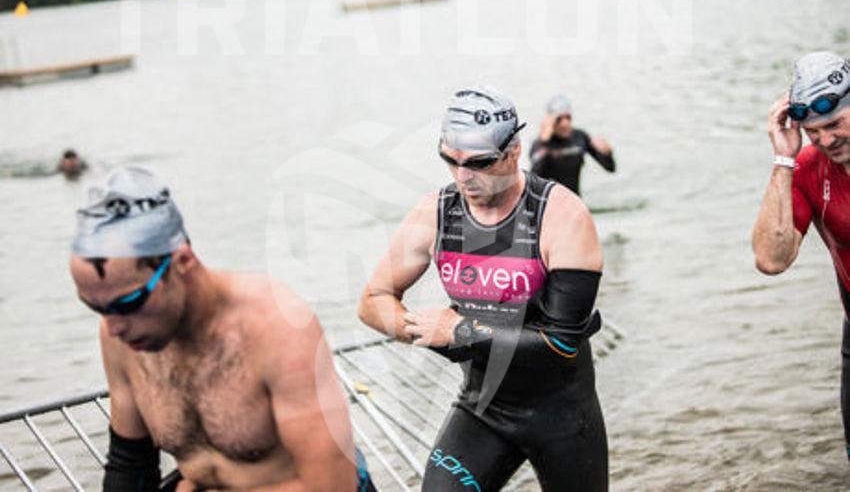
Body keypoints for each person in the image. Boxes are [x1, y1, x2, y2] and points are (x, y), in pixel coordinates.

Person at [358, 87, 608, 491]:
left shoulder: (563, 216)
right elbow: (373, 301)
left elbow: (561, 344)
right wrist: (423, 330)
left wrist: (460, 333)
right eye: (450, 160)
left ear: (514, 151)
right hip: (483, 410)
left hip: (562, 415)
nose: (463, 176)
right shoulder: (435, 213)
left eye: (480, 162)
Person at [68, 167, 374, 491]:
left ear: (182, 262)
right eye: (96, 308)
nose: (113, 326)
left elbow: (333, 486)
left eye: (129, 303)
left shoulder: (278, 327)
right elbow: (130, 466)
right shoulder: (121, 336)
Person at [752, 51, 850, 459]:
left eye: (834, 124)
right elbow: (771, 259)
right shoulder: (809, 166)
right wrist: (784, 159)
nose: (825, 141)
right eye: (813, 132)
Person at [529, 94, 615, 196]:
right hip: (549, 203)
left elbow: (610, 168)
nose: (565, 123)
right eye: (559, 119)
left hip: (575, 200)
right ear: (550, 121)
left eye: (568, 117)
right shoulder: (539, 144)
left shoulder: (580, 137)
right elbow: (533, 183)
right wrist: (544, 142)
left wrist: (608, 153)